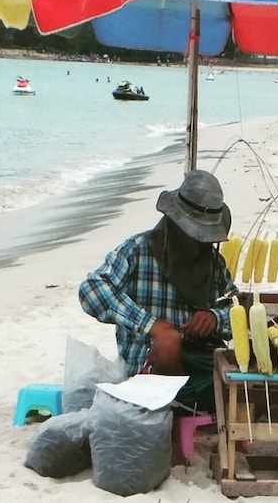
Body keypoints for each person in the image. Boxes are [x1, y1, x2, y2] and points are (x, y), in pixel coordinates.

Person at [78, 170, 237, 414]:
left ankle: (202, 412)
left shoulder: (212, 264)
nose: (197, 243)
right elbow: (92, 290)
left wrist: (215, 318)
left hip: (198, 360)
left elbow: (236, 307)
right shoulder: (138, 250)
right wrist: (151, 325)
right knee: (168, 343)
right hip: (147, 362)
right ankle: (176, 414)